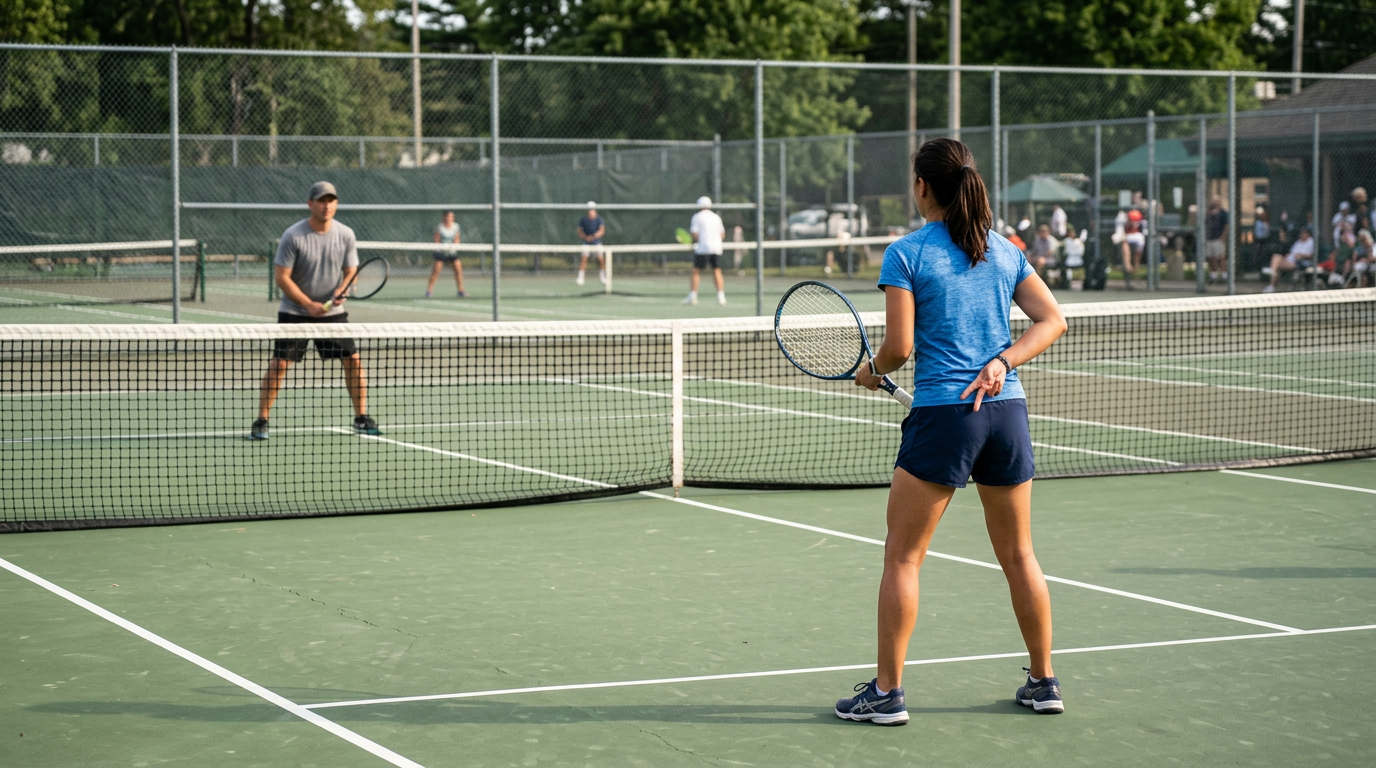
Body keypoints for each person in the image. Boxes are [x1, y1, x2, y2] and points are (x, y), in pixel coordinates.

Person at [835, 138, 1068, 726]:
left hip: (945, 417)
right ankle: (1044, 682)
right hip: (1006, 412)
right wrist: (1003, 362)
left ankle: (887, 694)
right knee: (1020, 555)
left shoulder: (906, 254)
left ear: (922, 187)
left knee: (903, 559)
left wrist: (873, 373)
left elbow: (899, 348)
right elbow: (1053, 320)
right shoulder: (1005, 250)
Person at [250, 181, 380, 441]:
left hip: (332, 314)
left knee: (353, 360)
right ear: (310, 204)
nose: (327, 205)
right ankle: (262, 420)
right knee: (279, 365)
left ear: (336, 203)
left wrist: (343, 288)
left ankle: (361, 417)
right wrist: (308, 304)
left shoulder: (345, 234)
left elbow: (351, 270)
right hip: (295, 311)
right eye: (321, 200)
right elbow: (282, 277)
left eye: (331, 200)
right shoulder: (293, 236)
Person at [685, 196, 726, 306]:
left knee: (696, 271)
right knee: (717, 271)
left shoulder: (697, 217)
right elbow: (722, 235)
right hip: (716, 248)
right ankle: (721, 297)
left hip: (703, 248)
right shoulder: (716, 217)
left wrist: (700, 240)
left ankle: (693, 296)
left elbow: (695, 234)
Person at [425, 211, 466, 298]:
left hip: (452, 252)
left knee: (458, 269)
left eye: (451, 217)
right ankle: (429, 290)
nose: (449, 218)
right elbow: (436, 240)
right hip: (441, 252)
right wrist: (442, 248)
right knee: (436, 270)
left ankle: (460, 290)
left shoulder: (456, 226)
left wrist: (454, 246)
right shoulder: (440, 227)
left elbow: (457, 239)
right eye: (447, 217)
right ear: (443, 217)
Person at [1263, 226, 1316, 293]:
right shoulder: (1298, 242)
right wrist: (1287, 256)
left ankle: (1272, 285)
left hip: (1299, 262)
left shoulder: (1311, 242)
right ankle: (1272, 273)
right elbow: (1291, 252)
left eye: (1303, 233)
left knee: (1277, 267)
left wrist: (1301, 255)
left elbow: (1311, 255)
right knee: (1276, 256)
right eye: (1301, 233)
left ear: (1308, 234)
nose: (1301, 235)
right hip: (1289, 260)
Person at [576, 202, 606, 286]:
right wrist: (585, 237)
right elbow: (579, 231)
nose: (591, 211)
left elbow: (602, 230)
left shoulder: (599, 219)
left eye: (592, 209)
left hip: (597, 243)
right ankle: (580, 278)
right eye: (589, 209)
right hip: (586, 243)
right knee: (584, 258)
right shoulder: (583, 220)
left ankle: (602, 277)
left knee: (601, 259)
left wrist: (595, 236)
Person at [1205, 197, 1229, 284]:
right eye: (1213, 201)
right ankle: (1213, 275)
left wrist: (1223, 237)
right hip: (1210, 238)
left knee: (1221, 257)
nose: (1215, 203)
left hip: (1218, 239)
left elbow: (1226, 226)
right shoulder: (1209, 213)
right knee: (1211, 258)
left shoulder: (1223, 213)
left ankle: (1224, 275)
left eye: (1216, 201)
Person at [1121, 208, 1146, 289]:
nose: (1134, 223)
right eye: (1133, 220)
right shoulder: (1123, 222)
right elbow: (1120, 234)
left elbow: (1144, 234)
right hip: (1126, 238)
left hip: (1136, 238)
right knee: (1124, 243)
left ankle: (1136, 264)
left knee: (1141, 240)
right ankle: (1127, 265)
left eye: (1136, 221)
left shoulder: (1142, 225)